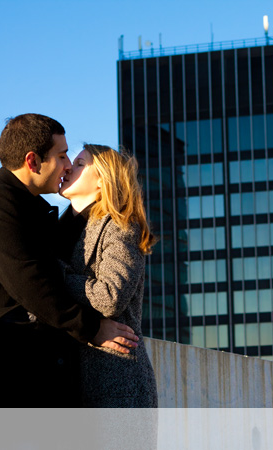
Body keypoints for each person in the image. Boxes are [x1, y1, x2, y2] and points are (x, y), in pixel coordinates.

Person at [0, 114, 139, 407]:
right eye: (62, 155)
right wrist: (93, 329)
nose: (67, 165)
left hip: (40, 378)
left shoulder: (36, 210)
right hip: (4, 381)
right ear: (32, 161)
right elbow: (33, 285)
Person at [58, 143, 158, 407]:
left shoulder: (121, 226)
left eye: (80, 164)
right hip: (67, 381)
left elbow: (109, 297)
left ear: (102, 180)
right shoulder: (57, 229)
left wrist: (54, 276)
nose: (68, 167)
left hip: (115, 382)